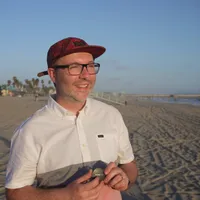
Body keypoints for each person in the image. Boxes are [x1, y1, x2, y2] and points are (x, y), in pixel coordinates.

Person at [5, 37, 138, 200]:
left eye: (90, 66)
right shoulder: (30, 131)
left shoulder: (111, 115)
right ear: (53, 74)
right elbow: (15, 192)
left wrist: (125, 179)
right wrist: (66, 195)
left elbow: (129, 165)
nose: (86, 75)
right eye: (74, 67)